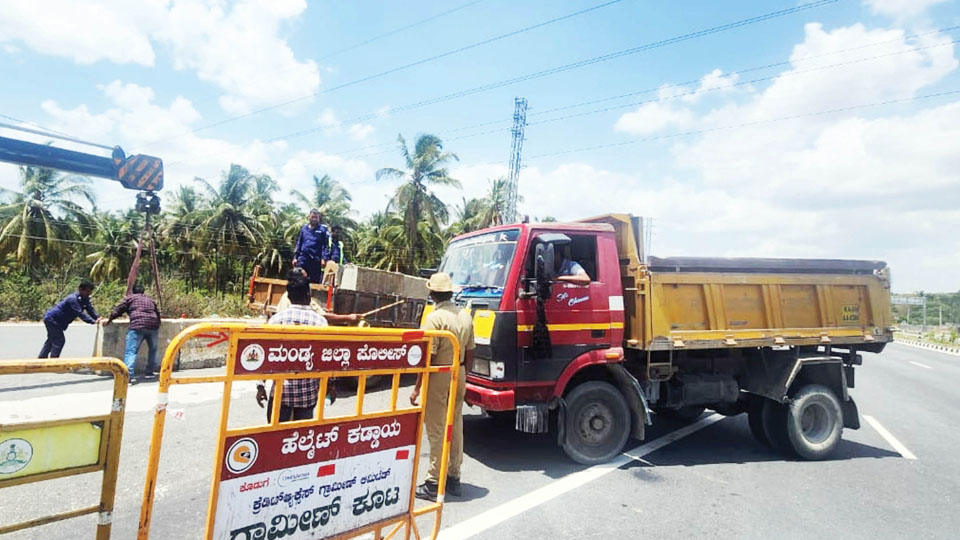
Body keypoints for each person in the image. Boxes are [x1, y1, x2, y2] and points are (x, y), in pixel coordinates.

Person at [256, 269, 358, 422]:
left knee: (275, 438)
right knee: (301, 436)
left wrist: (260, 385)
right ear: (309, 296)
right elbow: (327, 359)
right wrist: (330, 385)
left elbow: (264, 357)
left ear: (289, 296)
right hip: (307, 395)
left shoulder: (276, 321)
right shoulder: (320, 323)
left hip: (280, 393)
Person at [411, 272, 475, 501]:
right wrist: (465, 377)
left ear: (432, 294)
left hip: (439, 374)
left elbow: (428, 357)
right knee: (455, 425)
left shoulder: (433, 318)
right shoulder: (465, 316)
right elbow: (470, 352)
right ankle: (453, 476)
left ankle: (432, 482)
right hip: (459, 373)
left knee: (437, 429)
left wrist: (417, 387)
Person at [103, 284, 161, 381]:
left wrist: (109, 320)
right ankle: (150, 372)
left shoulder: (130, 298)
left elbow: (118, 310)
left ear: (133, 291)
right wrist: (157, 323)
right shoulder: (150, 300)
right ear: (143, 291)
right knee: (153, 349)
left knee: (131, 351)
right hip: (153, 325)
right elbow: (157, 312)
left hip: (137, 325)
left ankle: (127, 375)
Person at [274, 268, 360, 325]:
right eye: (306, 278)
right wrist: (349, 317)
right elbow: (325, 317)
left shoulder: (276, 320)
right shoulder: (320, 322)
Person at [39, 281, 102, 358]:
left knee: (52, 340)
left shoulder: (85, 299)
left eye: (90, 291)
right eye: (87, 291)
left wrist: (98, 317)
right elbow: (79, 312)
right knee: (59, 341)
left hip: (58, 321)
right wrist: (93, 321)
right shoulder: (73, 299)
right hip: (52, 319)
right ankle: (54, 361)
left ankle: (41, 358)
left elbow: (90, 309)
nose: (89, 293)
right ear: (81, 289)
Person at [293, 209, 328, 284]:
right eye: (313, 217)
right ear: (309, 217)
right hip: (303, 259)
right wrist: (295, 257)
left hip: (316, 260)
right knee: (299, 280)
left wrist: (323, 258)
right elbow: (299, 243)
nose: (314, 219)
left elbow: (325, 246)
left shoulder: (322, 230)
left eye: (316, 217)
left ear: (319, 218)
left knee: (314, 282)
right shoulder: (304, 229)